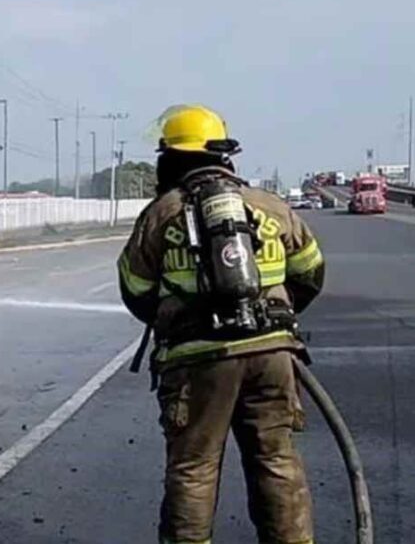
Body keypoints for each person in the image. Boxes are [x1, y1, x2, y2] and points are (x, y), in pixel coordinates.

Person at [118, 105, 325, 544]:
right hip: (272, 355)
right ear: (223, 155)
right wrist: (269, 320)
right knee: (276, 461)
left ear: (170, 158)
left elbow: (134, 289)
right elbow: (310, 274)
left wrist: (175, 321)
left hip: (198, 361)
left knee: (193, 468)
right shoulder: (271, 207)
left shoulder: (161, 214)